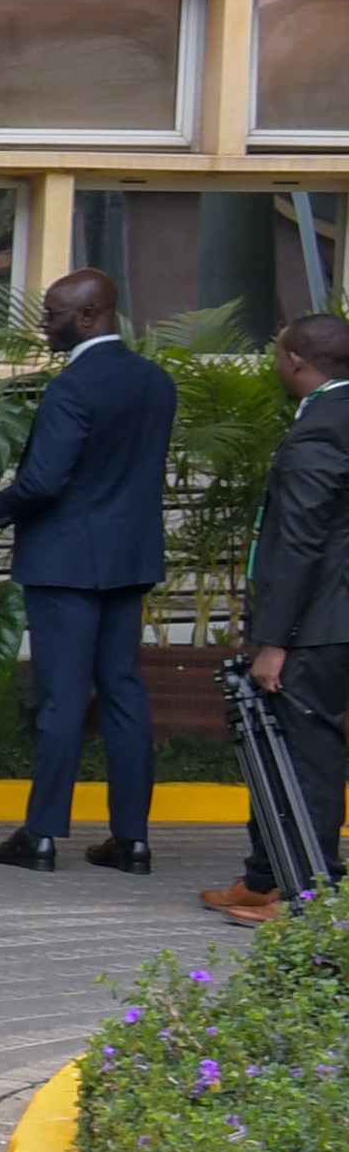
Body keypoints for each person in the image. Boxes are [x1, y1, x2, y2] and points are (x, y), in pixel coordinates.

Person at [0, 269, 176, 876]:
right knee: (124, 692)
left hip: (65, 561)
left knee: (63, 700)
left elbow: (45, 481)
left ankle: (40, 837)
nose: (44, 323)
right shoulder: (157, 383)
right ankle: (132, 840)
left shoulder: (71, 388)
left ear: (90, 315)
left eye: (54, 314)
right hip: (128, 558)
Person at [216, 308, 349, 927]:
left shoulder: (319, 431)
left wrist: (274, 641)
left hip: (321, 625)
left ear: (295, 361)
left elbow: (300, 541)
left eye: (277, 355)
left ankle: (309, 902)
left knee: (307, 758)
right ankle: (263, 880)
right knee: (290, 750)